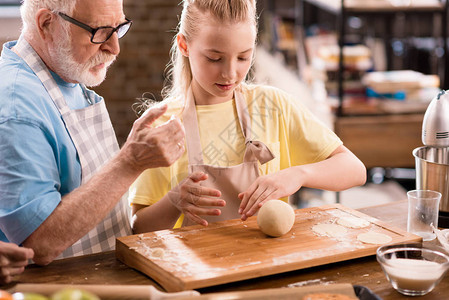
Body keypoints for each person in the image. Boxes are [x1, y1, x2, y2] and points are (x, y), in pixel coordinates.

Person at [129, 0, 366, 233]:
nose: (230, 73)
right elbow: (138, 228)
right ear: (184, 46)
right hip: (190, 270)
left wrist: (298, 174)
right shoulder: (162, 125)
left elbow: (355, 170)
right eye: (214, 58)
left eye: (243, 57)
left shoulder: (273, 105)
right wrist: (174, 201)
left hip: (270, 264)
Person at [0, 0, 185, 265]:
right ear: (46, 24)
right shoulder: (17, 108)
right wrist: (130, 163)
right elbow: (38, 244)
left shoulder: (66, 74)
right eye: (99, 32)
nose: (114, 48)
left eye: (118, 28)